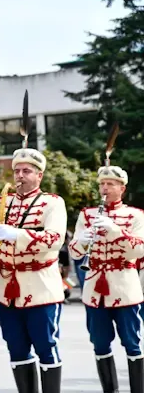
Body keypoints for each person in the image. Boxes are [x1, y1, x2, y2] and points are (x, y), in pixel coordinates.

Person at [0, 144, 67, 393]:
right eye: (17, 171)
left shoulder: (53, 203)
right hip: (6, 290)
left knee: (46, 346)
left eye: (27, 171)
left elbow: (54, 239)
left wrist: (17, 234)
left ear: (39, 175)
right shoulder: (2, 203)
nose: (20, 175)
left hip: (40, 287)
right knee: (16, 347)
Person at [68, 163, 144, 393]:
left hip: (124, 286)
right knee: (100, 344)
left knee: (132, 343)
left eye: (110, 184)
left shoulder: (135, 215)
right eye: (102, 184)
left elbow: (140, 249)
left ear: (122, 188)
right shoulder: (87, 215)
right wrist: (83, 240)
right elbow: (73, 251)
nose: (104, 188)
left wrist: (114, 231)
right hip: (95, 287)